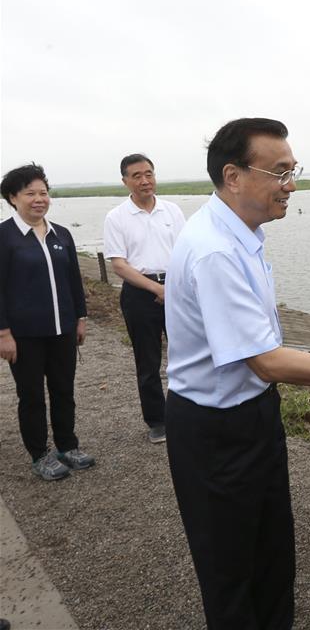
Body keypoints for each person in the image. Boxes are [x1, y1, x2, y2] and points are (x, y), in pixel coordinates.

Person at [164, 117, 310, 630]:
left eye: (293, 171)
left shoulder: (241, 234)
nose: (290, 185)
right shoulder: (214, 249)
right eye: (279, 172)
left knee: (271, 547)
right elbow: (267, 361)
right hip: (217, 429)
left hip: (251, 413)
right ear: (233, 176)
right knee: (231, 565)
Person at [0, 164, 95, 480]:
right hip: (24, 335)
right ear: (13, 198)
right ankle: (39, 453)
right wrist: (3, 333)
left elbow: (73, 281)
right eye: (30, 193)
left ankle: (67, 445)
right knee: (31, 396)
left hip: (63, 330)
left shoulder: (61, 234)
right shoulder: (4, 237)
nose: (39, 199)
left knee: (63, 389)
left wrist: (80, 318)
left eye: (43, 193)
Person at [103, 153, 185, 443]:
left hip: (175, 289)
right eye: (136, 176)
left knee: (185, 355)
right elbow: (119, 265)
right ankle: (157, 420)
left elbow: (185, 252)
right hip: (139, 293)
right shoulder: (116, 217)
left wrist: (172, 288)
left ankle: (186, 413)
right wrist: (156, 289)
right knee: (148, 361)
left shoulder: (172, 211)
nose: (144, 180)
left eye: (149, 174)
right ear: (125, 181)